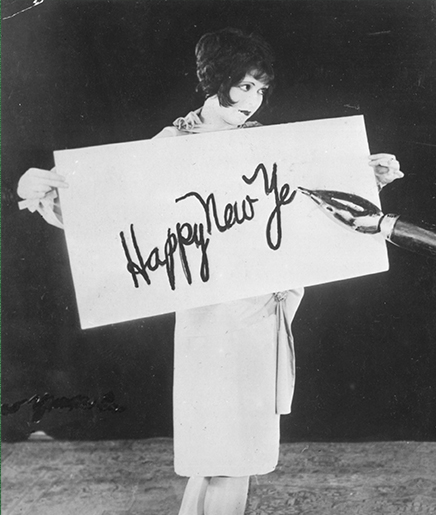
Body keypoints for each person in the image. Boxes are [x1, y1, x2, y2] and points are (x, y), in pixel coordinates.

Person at [16, 28, 403, 515]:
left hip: (261, 317)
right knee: (222, 457)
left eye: (261, 89)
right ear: (214, 81)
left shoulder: (267, 143)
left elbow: (316, 213)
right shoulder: (172, 143)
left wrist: (366, 179)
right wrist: (48, 195)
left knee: (225, 458)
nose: (253, 100)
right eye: (243, 86)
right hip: (208, 322)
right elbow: (114, 216)